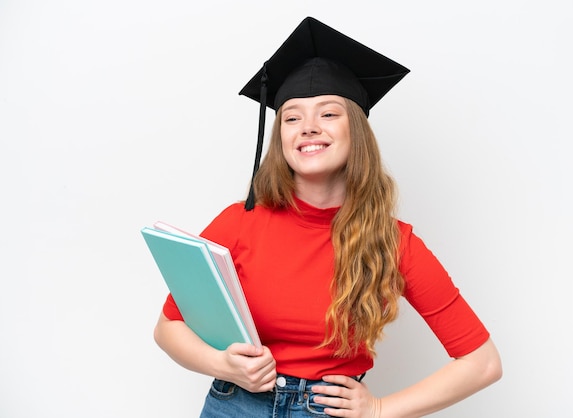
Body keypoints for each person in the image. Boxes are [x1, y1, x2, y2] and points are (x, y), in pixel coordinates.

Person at [153, 16, 502, 417]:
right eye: (292, 117)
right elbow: (168, 328)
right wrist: (222, 365)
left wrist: (379, 409)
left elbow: (482, 362)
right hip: (236, 405)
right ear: (280, 135)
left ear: (356, 130)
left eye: (328, 114)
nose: (308, 127)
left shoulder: (394, 242)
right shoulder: (239, 221)